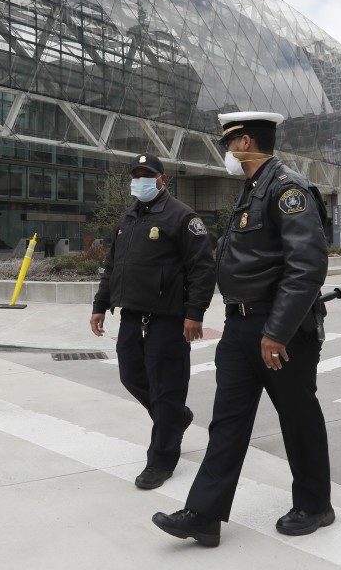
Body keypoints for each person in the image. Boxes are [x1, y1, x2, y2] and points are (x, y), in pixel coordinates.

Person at [152, 112, 332, 547]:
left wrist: (278, 331)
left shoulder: (288, 189)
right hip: (239, 327)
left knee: (297, 417)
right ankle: (204, 514)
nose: (226, 153)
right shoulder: (252, 189)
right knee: (227, 422)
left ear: (246, 141)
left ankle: (314, 504)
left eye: (228, 144)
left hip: (279, 329)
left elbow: (306, 267)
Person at [90, 153, 216, 490]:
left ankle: (161, 459)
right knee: (130, 376)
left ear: (163, 179)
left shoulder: (182, 217)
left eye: (148, 175)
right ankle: (175, 417)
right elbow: (113, 266)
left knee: (166, 388)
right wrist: (100, 304)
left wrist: (195, 313)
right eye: (137, 174)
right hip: (131, 315)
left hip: (169, 319)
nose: (141, 180)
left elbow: (203, 268)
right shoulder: (128, 218)